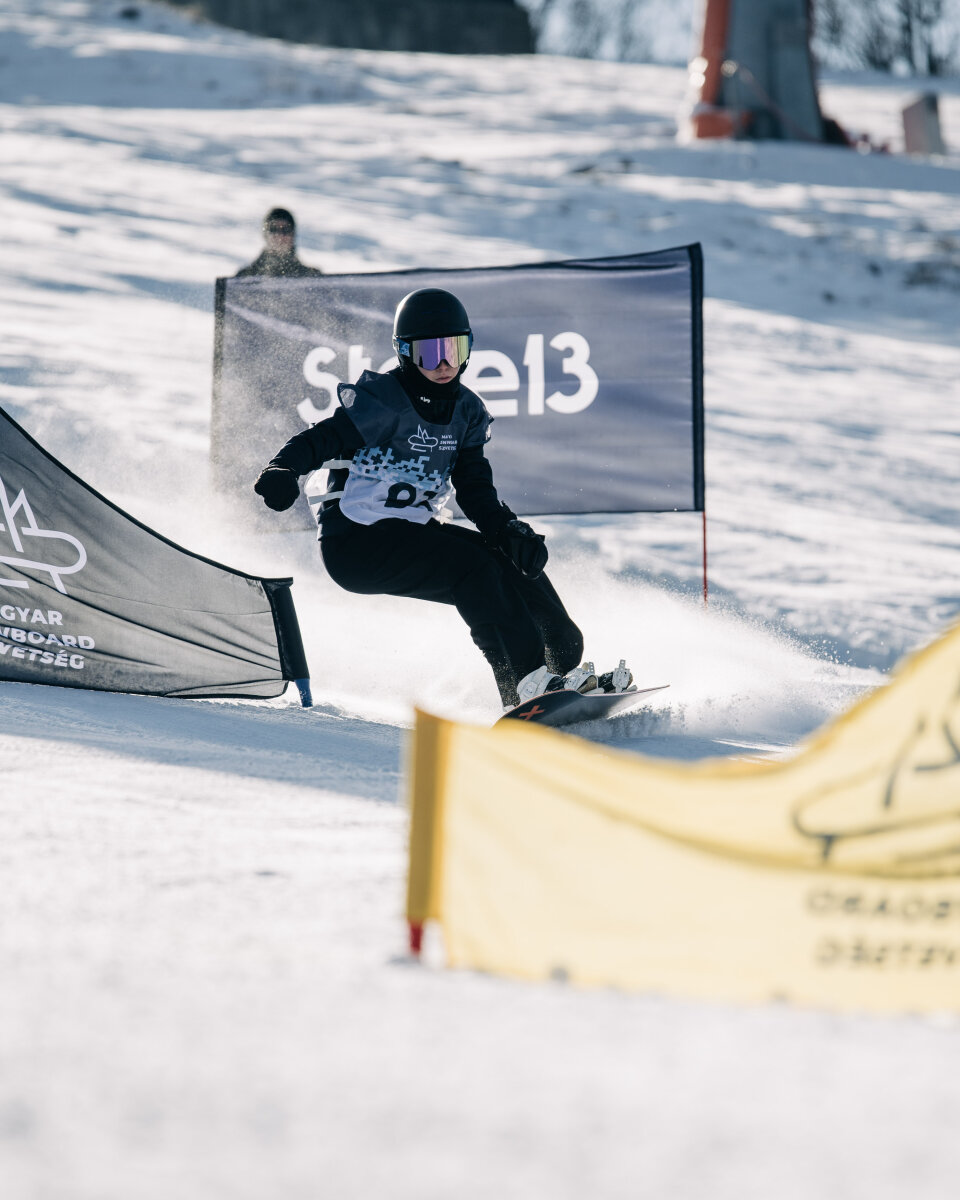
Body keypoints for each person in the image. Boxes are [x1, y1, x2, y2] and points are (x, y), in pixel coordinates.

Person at [253, 287, 632, 709]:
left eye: (455, 349)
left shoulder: (466, 411)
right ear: (404, 353)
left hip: (412, 531)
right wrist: (283, 468)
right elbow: (321, 438)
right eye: (430, 353)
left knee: (504, 559)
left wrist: (508, 530)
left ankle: (557, 665)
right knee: (473, 570)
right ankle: (525, 685)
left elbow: (474, 490)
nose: (445, 364)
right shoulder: (385, 402)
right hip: (355, 541)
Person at [234, 208, 324, 279]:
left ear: (293, 235)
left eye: (285, 230)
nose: (279, 236)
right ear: (265, 234)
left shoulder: (311, 278)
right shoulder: (244, 278)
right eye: (273, 229)